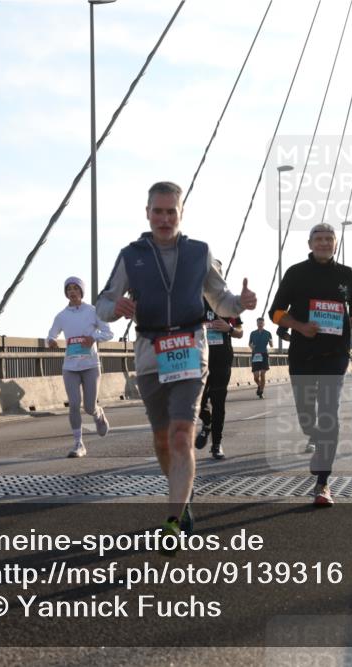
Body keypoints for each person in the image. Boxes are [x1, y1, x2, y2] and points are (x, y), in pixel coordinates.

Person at [97, 181, 256, 541]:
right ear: (147, 213)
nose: (165, 218)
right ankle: (182, 494)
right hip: (151, 351)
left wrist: (241, 303)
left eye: (172, 211)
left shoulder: (199, 252)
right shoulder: (131, 255)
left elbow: (223, 302)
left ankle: (173, 516)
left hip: (189, 348)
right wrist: (115, 308)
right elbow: (103, 303)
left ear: (181, 213)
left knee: (182, 435)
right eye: (158, 211)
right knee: (162, 440)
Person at [268, 222, 352, 507]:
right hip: (302, 353)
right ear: (310, 244)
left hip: (336, 353)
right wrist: (299, 325)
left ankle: (323, 483)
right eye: (318, 239)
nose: (323, 243)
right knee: (307, 415)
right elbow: (275, 313)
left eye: (329, 239)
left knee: (329, 414)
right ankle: (313, 436)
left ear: (335, 244)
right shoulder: (296, 273)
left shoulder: (346, 275)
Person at [47, 276, 113, 458]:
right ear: (66, 293)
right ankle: (78, 444)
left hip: (91, 365)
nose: (72, 292)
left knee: (89, 407)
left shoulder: (93, 311)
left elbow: (108, 333)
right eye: (69, 289)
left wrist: (93, 338)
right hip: (70, 366)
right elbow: (51, 335)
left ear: (81, 291)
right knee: (74, 404)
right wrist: (51, 341)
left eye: (76, 288)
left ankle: (98, 414)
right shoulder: (61, 316)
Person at [195, 295, 242, 459]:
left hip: (222, 359)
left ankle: (216, 444)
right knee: (198, 401)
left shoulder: (227, 302)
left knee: (218, 402)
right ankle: (207, 423)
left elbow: (240, 333)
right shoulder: (193, 299)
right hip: (199, 359)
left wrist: (228, 329)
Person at [248, 318, 273, 399]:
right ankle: (259, 385)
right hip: (255, 355)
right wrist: (252, 347)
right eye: (259, 323)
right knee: (255, 377)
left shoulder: (268, 333)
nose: (260, 324)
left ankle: (261, 391)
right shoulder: (253, 333)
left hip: (264, 354)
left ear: (264, 324)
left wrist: (270, 341)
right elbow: (249, 343)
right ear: (257, 324)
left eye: (261, 323)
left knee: (262, 374)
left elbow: (272, 345)